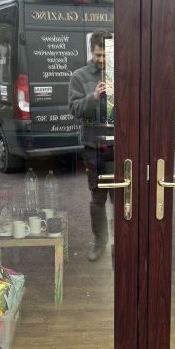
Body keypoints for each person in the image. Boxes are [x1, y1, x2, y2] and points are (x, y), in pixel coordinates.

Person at [68, 30, 114, 261]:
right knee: (98, 199)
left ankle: (120, 242)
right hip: (92, 147)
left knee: (121, 197)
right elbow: (74, 109)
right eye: (98, 55)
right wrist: (93, 96)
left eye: (106, 55)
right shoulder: (79, 76)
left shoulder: (119, 72)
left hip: (117, 147)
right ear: (91, 51)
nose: (102, 60)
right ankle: (100, 242)